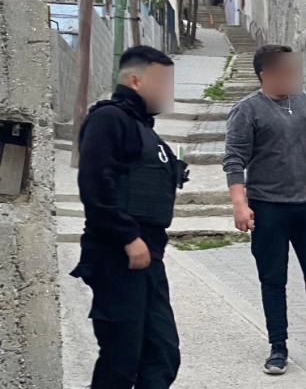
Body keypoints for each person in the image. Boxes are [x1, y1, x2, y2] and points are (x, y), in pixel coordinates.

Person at [222, 44, 306, 375]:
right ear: (265, 74)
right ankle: (278, 347)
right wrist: (240, 205)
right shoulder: (247, 110)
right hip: (268, 208)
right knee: (273, 279)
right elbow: (234, 158)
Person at [70, 46, 185, 389]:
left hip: (148, 256)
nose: (167, 91)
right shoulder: (108, 119)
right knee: (121, 358)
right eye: (162, 82)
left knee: (162, 353)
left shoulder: (141, 127)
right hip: (117, 254)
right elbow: (95, 184)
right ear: (135, 80)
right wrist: (128, 237)